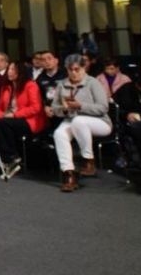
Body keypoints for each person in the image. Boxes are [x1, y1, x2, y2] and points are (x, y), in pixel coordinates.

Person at [51, 54, 111, 192]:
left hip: (99, 121)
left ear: (84, 68)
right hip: (71, 119)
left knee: (79, 121)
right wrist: (64, 110)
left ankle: (88, 160)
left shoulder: (93, 82)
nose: (73, 72)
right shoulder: (62, 84)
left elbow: (103, 108)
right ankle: (68, 173)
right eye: (70, 69)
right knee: (59, 133)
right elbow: (55, 108)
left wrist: (80, 106)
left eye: (77, 69)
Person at [0, 61, 48, 179]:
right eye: (9, 70)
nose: (9, 72)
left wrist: (15, 115)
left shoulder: (30, 85)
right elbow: (0, 108)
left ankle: (11, 157)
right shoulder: (6, 87)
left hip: (29, 120)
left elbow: (36, 108)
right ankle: (4, 159)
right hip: (10, 119)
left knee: (4, 124)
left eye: (13, 70)